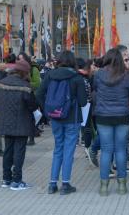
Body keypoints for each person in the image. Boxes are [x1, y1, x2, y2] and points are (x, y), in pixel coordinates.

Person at [36, 51, 87, 195]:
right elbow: (83, 102)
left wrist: (47, 111)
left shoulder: (50, 75)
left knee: (58, 148)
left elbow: (39, 94)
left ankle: (52, 184)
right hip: (72, 118)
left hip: (55, 118)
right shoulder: (77, 78)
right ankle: (65, 184)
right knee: (69, 150)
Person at [92, 48, 129, 196]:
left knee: (106, 150)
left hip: (103, 116)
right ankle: (122, 186)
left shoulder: (99, 74)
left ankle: (104, 187)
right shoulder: (128, 75)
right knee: (120, 149)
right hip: (122, 116)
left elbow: (95, 90)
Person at [0, 59, 39, 190]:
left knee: (8, 150)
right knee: (19, 151)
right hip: (22, 123)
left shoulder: (0, 84)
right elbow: (33, 105)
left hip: (5, 122)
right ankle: (17, 180)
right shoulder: (25, 87)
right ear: (25, 72)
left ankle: (6, 179)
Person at [18, 53, 41, 146]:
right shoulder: (17, 70)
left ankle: (31, 138)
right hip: (20, 95)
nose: (20, 61)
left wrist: (26, 85)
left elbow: (37, 83)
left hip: (31, 95)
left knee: (31, 117)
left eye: (22, 59)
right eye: (19, 59)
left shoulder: (34, 69)